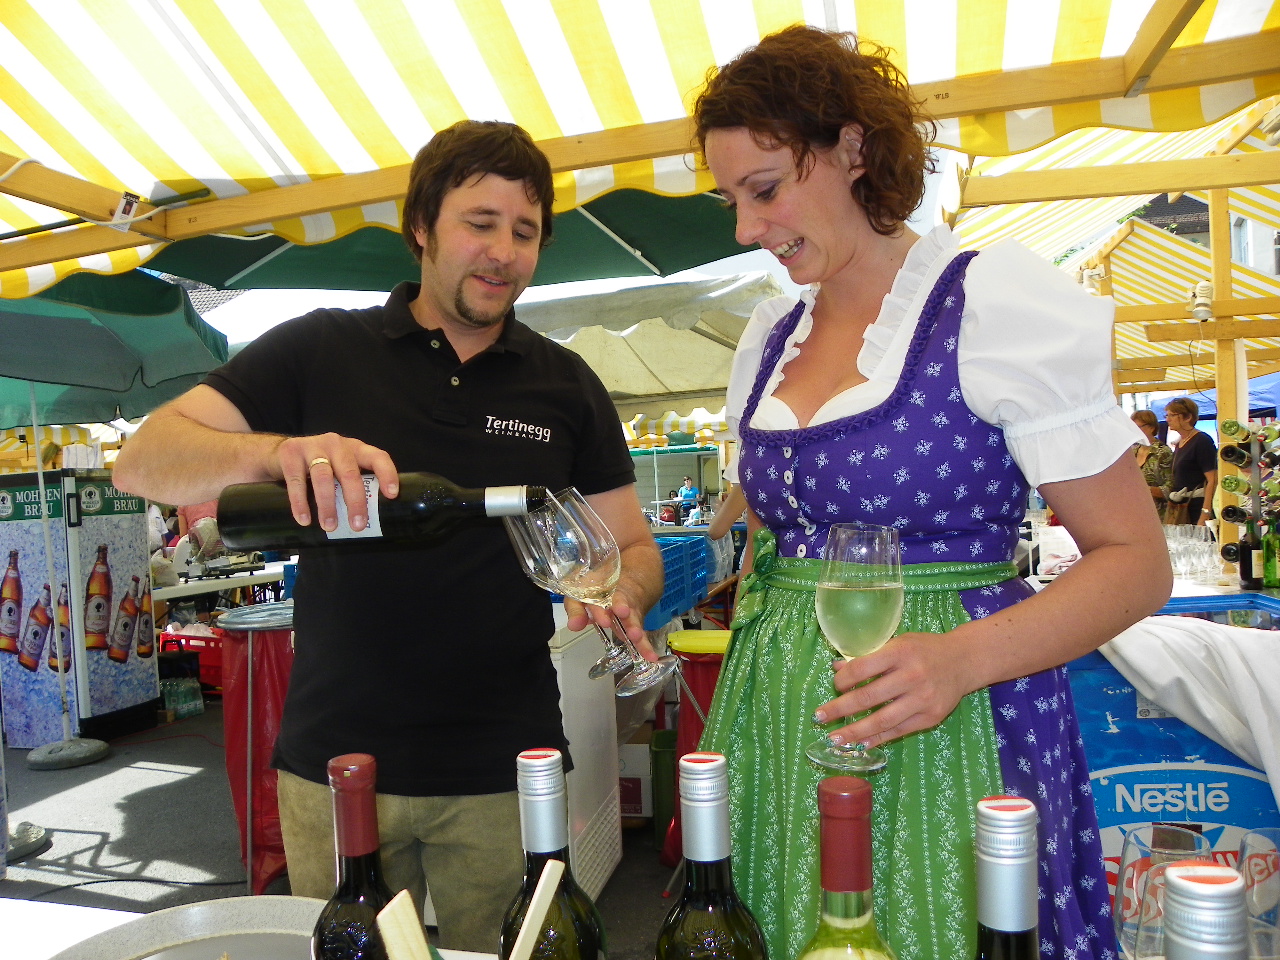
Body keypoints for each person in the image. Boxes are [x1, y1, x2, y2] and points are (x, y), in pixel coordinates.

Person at [112, 120, 662, 951]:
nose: (504, 252)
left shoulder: (566, 384)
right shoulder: (319, 349)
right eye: (480, 223)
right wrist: (275, 451)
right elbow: (143, 461)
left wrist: (625, 593)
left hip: (505, 765)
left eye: (525, 232)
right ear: (421, 227)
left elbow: (633, 547)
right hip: (338, 768)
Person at [693, 25, 1171, 960]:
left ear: (853, 149)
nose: (746, 229)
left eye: (765, 189)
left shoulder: (991, 306)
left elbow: (1137, 562)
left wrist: (957, 661)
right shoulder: (768, 337)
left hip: (955, 718)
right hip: (779, 726)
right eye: (731, 200)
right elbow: (768, 547)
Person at [1165, 397, 1218, 526]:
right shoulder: (1180, 443)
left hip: (1196, 508)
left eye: (1172, 415)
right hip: (1183, 507)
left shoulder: (1202, 441)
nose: (1168, 419)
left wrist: (1205, 512)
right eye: (1167, 415)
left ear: (1188, 417)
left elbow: (1213, 479)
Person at [1132, 410, 1174, 521]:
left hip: (1158, 514)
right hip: (1134, 511)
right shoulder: (1132, 451)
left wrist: (1145, 490)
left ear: (1151, 428)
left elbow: (1170, 487)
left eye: (1138, 427)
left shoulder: (1163, 452)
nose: (1134, 431)